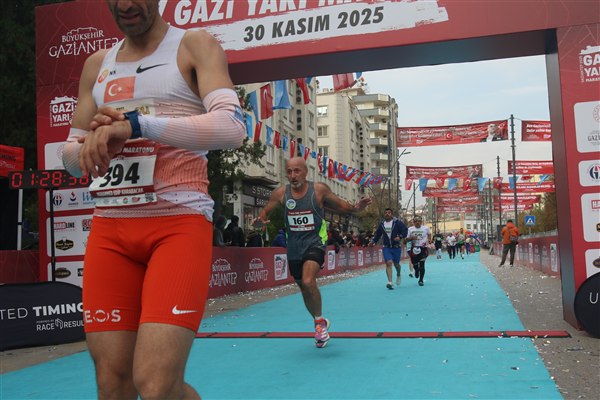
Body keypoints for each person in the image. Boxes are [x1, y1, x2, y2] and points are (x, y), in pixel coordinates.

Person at [61, 1, 245, 398]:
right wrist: (95, 141)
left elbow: (232, 128)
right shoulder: (97, 64)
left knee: (157, 385)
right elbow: (71, 161)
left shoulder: (194, 44)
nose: (126, 5)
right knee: (112, 383)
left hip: (177, 224)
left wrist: (137, 124)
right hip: (111, 230)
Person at [254, 157, 371, 348]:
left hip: (315, 242)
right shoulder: (281, 193)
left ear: (305, 172)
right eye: (289, 171)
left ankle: (319, 327)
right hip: (294, 246)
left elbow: (343, 206)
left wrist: (357, 208)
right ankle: (320, 321)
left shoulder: (318, 190)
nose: (293, 175)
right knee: (303, 287)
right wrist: (260, 220)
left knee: (309, 281)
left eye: (297, 171)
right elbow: (265, 211)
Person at [370, 208, 408, 289]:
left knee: (396, 264)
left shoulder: (397, 223)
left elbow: (405, 231)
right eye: (386, 213)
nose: (387, 214)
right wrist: (373, 241)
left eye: (389, 213)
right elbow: (378, 234)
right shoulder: (382, 224)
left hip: (396, 247)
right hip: (386, 247)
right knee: (389, 262)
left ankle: (398, 274)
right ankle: (390, 282)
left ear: (392, 214)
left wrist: (400, 237)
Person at [406, 216, 431, 286]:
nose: (417, 222)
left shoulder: (426, 228)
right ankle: (416, 270)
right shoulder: (410, 229)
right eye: (415, 221)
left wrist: (429, 240)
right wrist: (412, 238)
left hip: (423, 248)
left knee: (422, 264)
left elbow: (429, 234)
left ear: (421, 222)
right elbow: (406, 239)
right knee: (415, 264)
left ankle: (421, 280)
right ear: (413, 222)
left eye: (419, 221)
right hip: (414, 248)